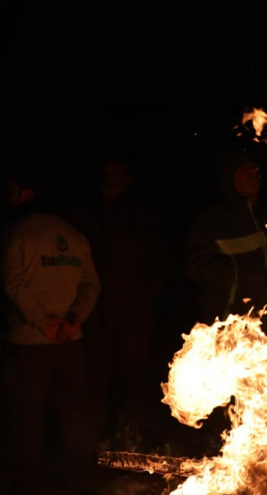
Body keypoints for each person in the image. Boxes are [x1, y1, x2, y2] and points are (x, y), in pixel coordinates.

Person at [0, 167, 101, 489]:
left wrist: (44, 324)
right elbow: (91, 285)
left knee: (28, 414)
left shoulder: (17, 233)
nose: (7, 198)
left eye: (12, 191)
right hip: (70, 342)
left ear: (28, 195)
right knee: (73, 411)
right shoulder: (73, 235)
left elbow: (13, 285)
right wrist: (74, 320)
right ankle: (79, 475)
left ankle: (25, 483)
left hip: (30, 343)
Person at [68, 158, 169, 442]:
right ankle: (92, 443)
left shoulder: (144, 217)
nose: (110, 177)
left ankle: (128, 439)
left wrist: (145, 294)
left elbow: (162, 261)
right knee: (95, 381)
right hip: (96, 315)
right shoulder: (85, 215)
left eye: (117, 171)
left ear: (129, 177)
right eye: (106, 172)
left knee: (133, 382)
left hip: (135, 315)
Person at [184, 150, 267, 336]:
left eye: (255, 171)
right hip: (230, 326)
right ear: (229, 178)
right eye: (244, 171)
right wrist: (241, 274)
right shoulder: (211, 221)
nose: (253, 176)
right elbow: (196, 266)